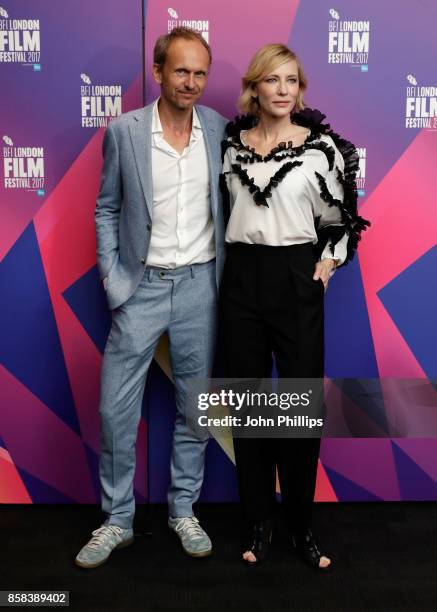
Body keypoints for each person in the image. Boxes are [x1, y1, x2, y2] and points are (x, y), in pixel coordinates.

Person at [75, 27, 227, 569]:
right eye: (181, 71)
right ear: (159, 71)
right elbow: (106, 208)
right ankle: (116, 520)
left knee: (194, 408)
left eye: (201, 73)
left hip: (199, 287)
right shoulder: (125, 132)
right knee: (116, 410)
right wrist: (115, 282)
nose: (191, 82)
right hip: (140, 288)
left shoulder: (219, 130)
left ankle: (182, 508)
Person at [220, 43, 369, 569]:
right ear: (255, 88)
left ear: (299, 90)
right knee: (251, 406)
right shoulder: (230, 144)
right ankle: (258, 522)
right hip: (240, 279)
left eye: (292, 82)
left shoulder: (322, 150)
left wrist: (324, 268)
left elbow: (340, 219)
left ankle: (301, 527)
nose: (283, 91)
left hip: (295, 275)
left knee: (300, 407)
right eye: (273, 81)